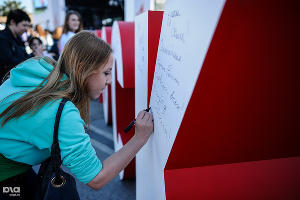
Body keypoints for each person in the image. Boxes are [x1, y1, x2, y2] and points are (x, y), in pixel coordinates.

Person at [0, 31, 154, 199]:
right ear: (82, 68)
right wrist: (139, 138)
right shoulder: (62, 111)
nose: (110, 80)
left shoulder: (41, 70)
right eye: (106, 72)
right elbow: (96, 178)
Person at [0, 9, 31, 84]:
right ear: (12, 22)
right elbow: (9, 62)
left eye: (27, 26)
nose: (26, 29)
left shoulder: (18, 39)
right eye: (24, 25)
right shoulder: (2, 38)